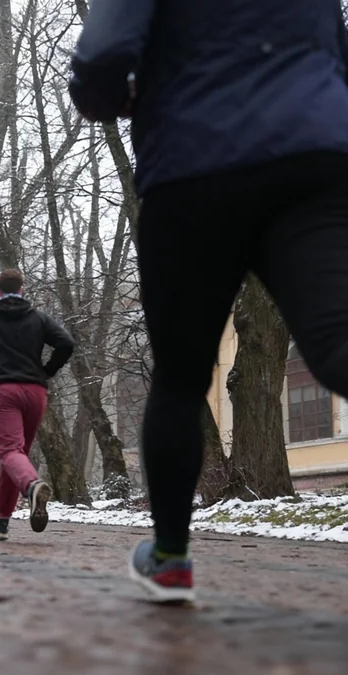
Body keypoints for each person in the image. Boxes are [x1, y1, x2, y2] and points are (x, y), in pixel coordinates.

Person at [70, 1, 348, 606]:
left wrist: (107, 97)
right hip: (314, 154)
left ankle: (169, 557)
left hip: (194, 162)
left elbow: (102, 54)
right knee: (336, 341)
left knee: (180, 376)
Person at [0, 268, 74, 541]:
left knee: (10, 451)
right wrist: (47, 370)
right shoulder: (38, 318)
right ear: (22, 289)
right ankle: (3, 521)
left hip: (2, 391)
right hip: (34, 392)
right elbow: (66, 343)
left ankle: (32, 486)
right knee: (15, 456)